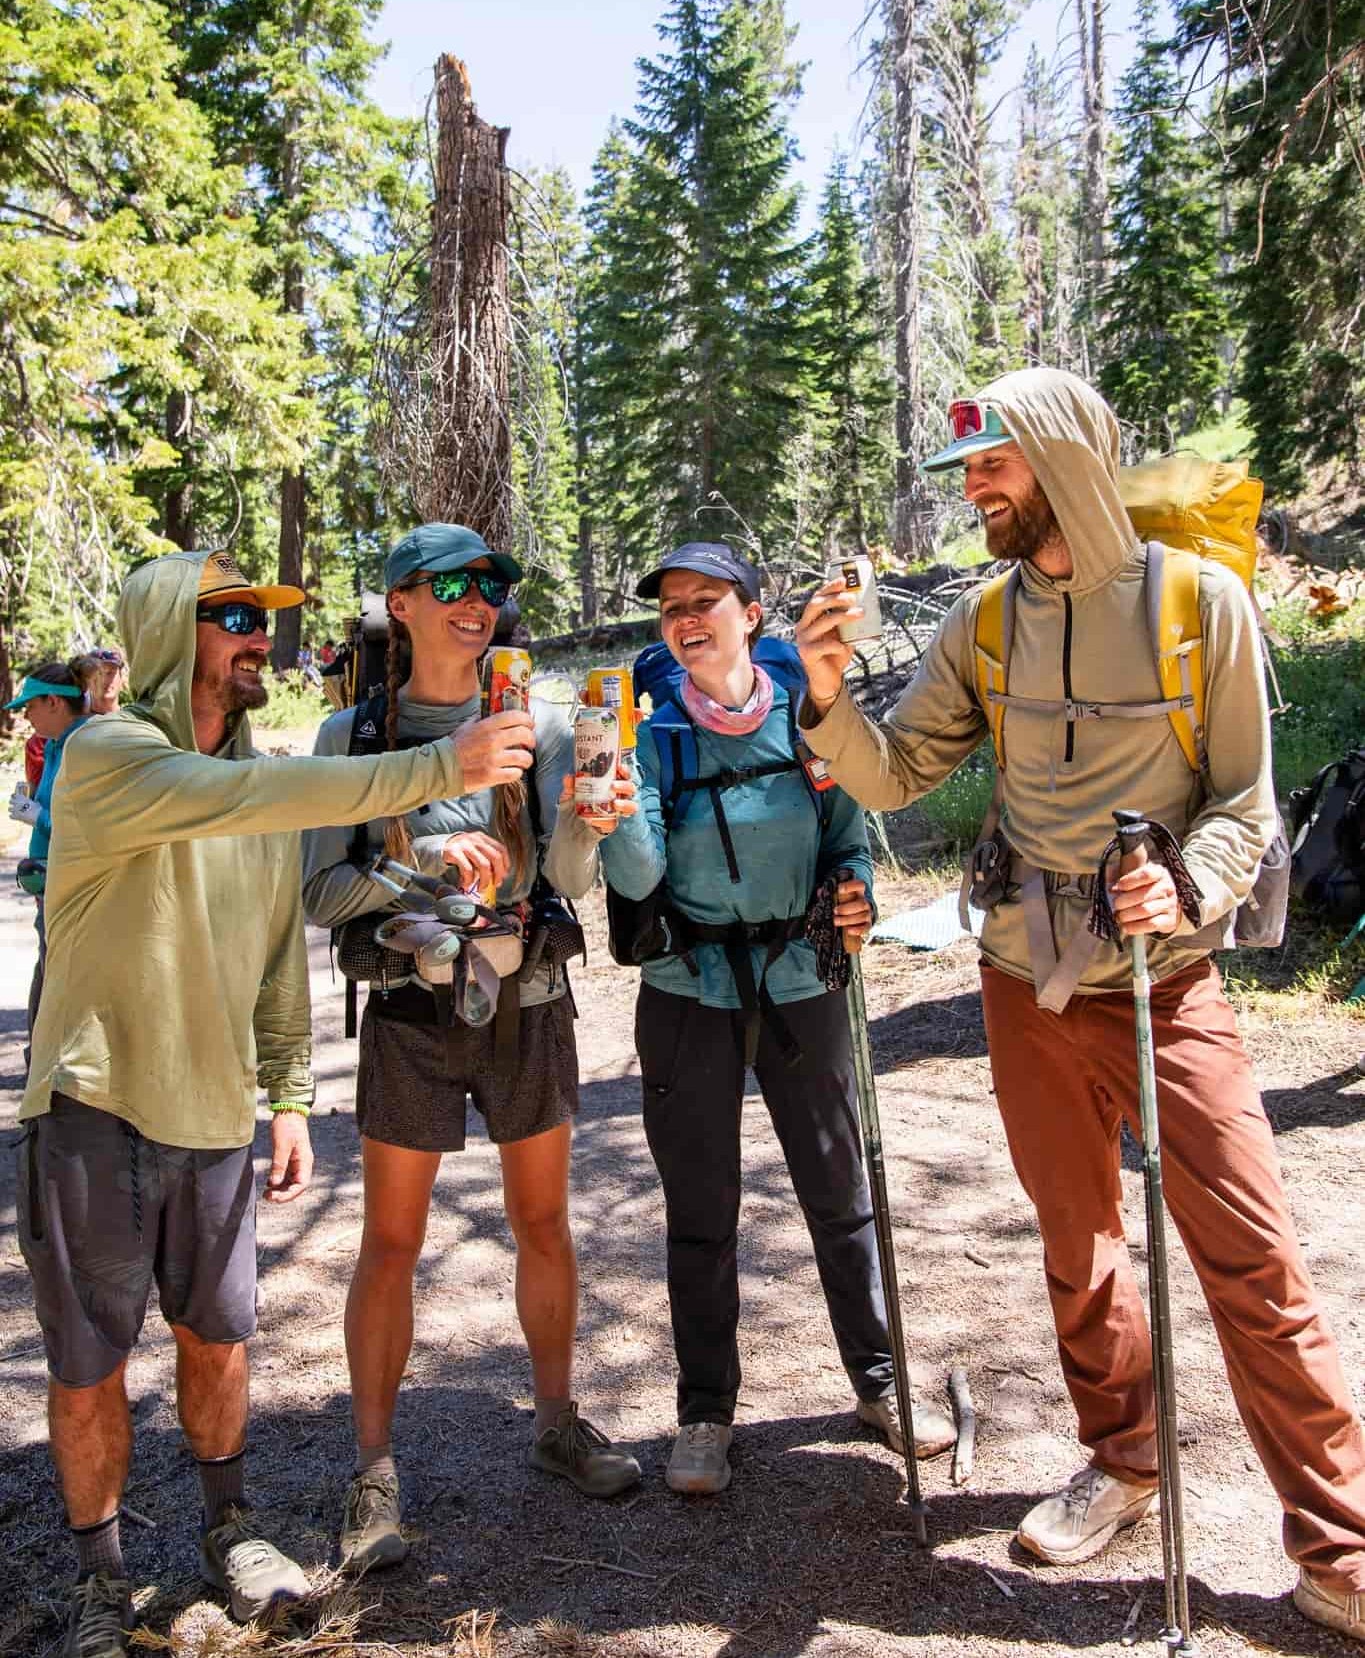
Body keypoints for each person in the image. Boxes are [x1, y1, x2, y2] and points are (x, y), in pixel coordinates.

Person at [795, 367, 1365, 1643]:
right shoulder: (986, 622)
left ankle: (1339, 1545)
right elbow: (896, 776)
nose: (971, 488)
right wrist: (827, 699)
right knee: (1078, 1244)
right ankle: (1123, 1459)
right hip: (1021, 979)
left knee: (1254, 1262)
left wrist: (1192, 879)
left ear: (1058, 459)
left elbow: (1247, 803)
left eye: (991, 463)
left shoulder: (1195, 605)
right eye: (969, 468)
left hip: (1167, 983)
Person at [17, 547, 534, 1658]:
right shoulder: (111, 754)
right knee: (91, 1358)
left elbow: (275, 959)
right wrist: (439, 765)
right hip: (96, 1104)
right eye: (232, 618)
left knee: (219, 1335)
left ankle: (228, 1526)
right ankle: (103, 1579)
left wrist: (290, 1091)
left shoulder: (255, 777)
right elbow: (247, 796)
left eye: (267, 618)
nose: (261, 637)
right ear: (166, 633)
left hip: (215, 1110)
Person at [301, 523, 641, 1577]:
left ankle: (554, 1422)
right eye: (449, 581)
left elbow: (572, 882)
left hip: (528, 999)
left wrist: (593, 815)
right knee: (390, 1243)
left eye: (493, 580)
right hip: (409, 1013)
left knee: (543, 1219)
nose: (476, 596)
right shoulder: (351, 738)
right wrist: (427, 861)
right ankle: (373, 1473)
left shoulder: (538, 721)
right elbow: (320, 891)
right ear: (399, 602)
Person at [596, 542, 956, 1496]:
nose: (684, 617)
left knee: (840, 1192)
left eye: (704, 599)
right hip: (688, 989)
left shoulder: (806, 714)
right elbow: (636, 880)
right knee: (700, 1210)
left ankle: (879, 1385)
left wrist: (858, 896)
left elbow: (847, 840)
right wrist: (614, 813)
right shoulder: (650, 731)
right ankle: (704, 1412)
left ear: (750, 613)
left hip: (806, 975)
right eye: (670, 605)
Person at [6, 661, 89, 1059]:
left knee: (63, 977)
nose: (25, 715)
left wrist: (41, 817)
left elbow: (92, 827)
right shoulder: (54, 745)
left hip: (75, 887)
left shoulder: (86, 747)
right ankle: (43, 1059)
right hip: (49, 884)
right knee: (48, 969)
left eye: (30, 706)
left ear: (54, 702)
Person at [72, 646, 128, 715]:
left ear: (121, 677)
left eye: (110, 672)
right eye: (98, 673)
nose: (104, 679)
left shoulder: (133, 720)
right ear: (86, 679)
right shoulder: (75, 723)